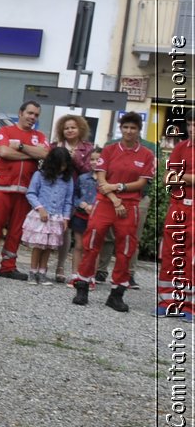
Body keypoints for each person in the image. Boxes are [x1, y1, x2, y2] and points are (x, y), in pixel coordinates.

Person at [73, 112, 156, 311]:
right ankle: (82, 287)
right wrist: (114, 199)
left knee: (126, 249)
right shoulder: (109, 150)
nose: (128, 131)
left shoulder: (146, 154)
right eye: (125, 127)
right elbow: (101, 179)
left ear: (139, 130)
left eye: (133, 128)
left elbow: (142, 182)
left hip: (129, 206)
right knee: (91, 243)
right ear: (121, 128)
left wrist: (118, 188)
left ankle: (117, 294)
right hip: (106, 203)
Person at [0, 100, 49, 280]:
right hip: (2, 188)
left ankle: (8, 267)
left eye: (36, 115)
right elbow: (3, 152)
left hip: (26, 192)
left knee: (17, 231)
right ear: (20, 113)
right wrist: (31, 154)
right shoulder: (5, 131)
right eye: (30, 113)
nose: (32, 117)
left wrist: (19, 146)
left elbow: (44, 154)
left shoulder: (40, 136)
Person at [22, 145, 79, 285]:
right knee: (39, 245)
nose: (62, 168)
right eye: (60, 165)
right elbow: (31, 193)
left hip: (56, 217)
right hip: (40, 216)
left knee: (49, 246)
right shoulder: (39, 175)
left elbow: (68, 200)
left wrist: (66, 217)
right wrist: (40, 208)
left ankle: (42, 272)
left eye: (65, 165)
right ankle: (33, 272)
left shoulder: (68, 179)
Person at [51, 114, 95, 281]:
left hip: (79, 196)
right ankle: (51, 265)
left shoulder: (88, 148)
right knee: (57, 230)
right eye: (66, 127)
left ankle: (69, 269)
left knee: (72, 232)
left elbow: (88, 171)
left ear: (80, 129)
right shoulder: (55, 145)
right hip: (57, 192)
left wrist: (74, 157)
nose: (69, 130)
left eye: (73, 127)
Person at [158, 115, 192, 319]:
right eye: (189, 124)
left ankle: (189, 306)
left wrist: (180, 177)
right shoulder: (181, 147)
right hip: (177, 207)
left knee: (191, 258)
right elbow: (166, 179)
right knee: (170, 254)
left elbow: (174, 176)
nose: (192, 128)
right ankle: (167, 302)